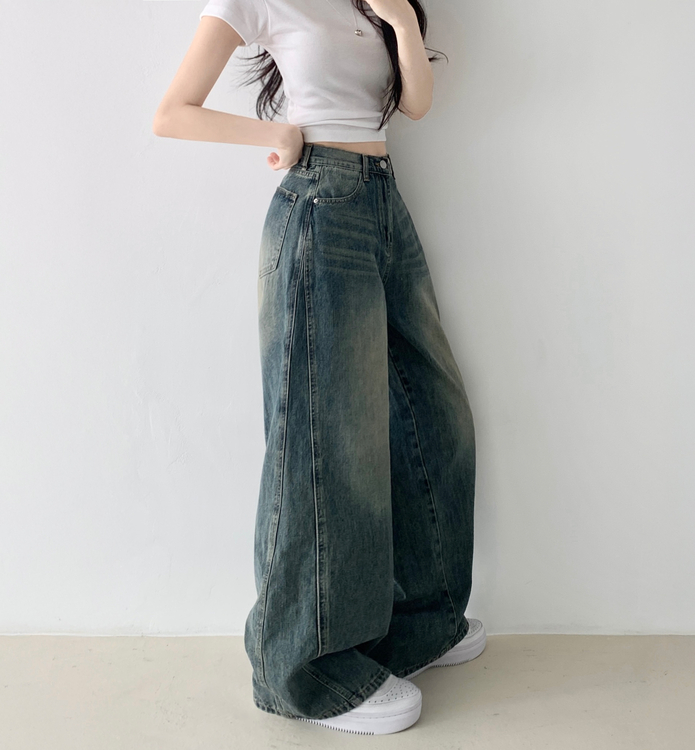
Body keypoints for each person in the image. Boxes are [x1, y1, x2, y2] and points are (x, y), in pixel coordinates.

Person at [153, 0, 485, 735]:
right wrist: (275, 133)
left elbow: (416, 106)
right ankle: (305, 669)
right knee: (328, 440)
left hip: (383, 203)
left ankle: (420, 623)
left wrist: (401, 23)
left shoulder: (370, 6)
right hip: (319, 209)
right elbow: (172, 112)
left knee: (433, 413)